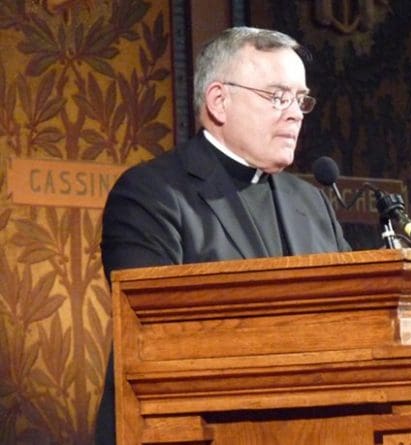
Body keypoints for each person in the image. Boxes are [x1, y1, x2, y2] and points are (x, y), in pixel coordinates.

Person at [94, 27, 350, 444]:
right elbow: (157, 331)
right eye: (277, 96)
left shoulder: (313, 203)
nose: (295, 113)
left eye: (300, 99)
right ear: (218, 101)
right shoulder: (151, 193)